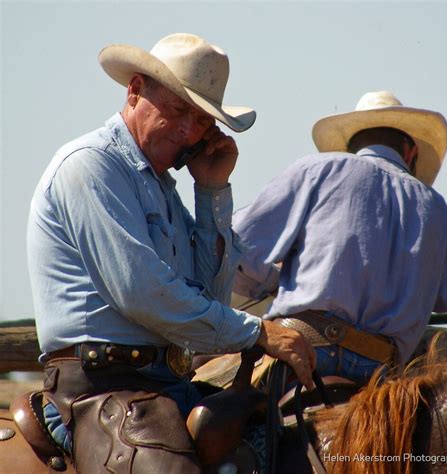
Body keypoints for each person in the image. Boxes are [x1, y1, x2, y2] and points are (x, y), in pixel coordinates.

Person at [26, 33, 315, 472]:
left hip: (165, 387)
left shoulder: (163, 190)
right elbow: (141, 291)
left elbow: (212, 301)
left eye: (200, 121)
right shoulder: (89, 165)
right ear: (136, 91)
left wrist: (213, 188)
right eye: (178, 110)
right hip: (99, 392)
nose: (187, 130)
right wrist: (258, 332)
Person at [232, 90, 447, 384]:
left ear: (351, 144)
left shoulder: (318, 170)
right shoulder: (443, 215)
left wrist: (272, 281)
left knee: (205, 401)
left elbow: (234, 250)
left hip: (303, 349)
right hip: (383, 378)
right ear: (410, 151)